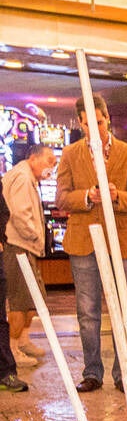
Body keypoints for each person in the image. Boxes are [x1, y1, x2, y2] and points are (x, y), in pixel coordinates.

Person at [56, 95, 127, 393]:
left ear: (107, 119)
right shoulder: (70, 154)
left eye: (99, 122)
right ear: (80, 124)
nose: (94, 128)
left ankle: (124, 374)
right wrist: (87, 196)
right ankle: (92, 372)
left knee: (123, 311)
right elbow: (61, 197)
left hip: (120, 241)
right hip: (83, 241)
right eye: (87, 124)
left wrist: (116, 195)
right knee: (88, 312)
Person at [3, 145, 56, 367]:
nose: (51, 167)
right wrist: (36, 237)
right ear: (33, 158)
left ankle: (23, 340)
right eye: (49, 161)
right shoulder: (22, 178)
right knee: (19, 301)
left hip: (27, 247)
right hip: (18, 246)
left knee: (34, 299)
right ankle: (13, 348)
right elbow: (20, 215)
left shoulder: (28, 178)